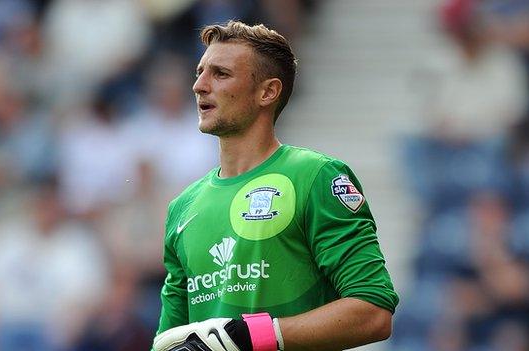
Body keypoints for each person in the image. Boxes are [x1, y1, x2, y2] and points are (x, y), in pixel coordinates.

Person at [152, 21, 398, 351]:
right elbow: (169, 341)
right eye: (200, 72)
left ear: (267, 92)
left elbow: (374, 311)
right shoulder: (182, 207)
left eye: (220, 74)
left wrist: (256, 336)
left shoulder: (315, 176)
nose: (198, 85)